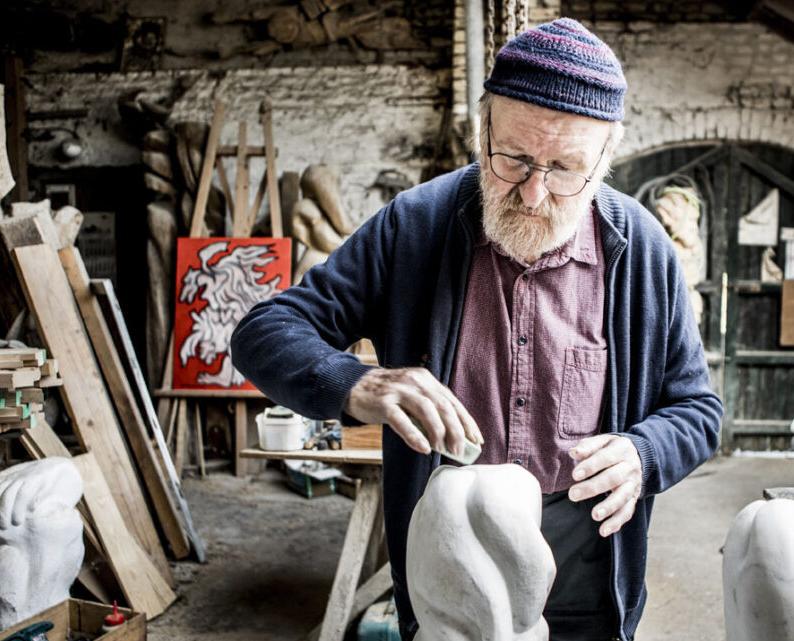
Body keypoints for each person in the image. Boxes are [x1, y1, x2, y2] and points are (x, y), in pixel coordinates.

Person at [231, 17, 722, 641]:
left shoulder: (641, 249)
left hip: (586, 558)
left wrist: (644, 452)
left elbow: (698, 410)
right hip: (448, 548)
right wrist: (359, 383)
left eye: (566, 168)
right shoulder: (415, 225)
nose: (535, 193)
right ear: (481, 128)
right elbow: (263, 330)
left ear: (605, 159)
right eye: (513, 157)